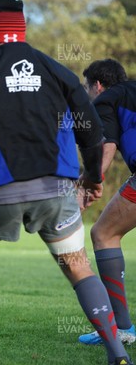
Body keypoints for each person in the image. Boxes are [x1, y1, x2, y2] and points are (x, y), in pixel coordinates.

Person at [0, 0, 132, 365]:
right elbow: (92, 133)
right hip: (55, 189)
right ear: (21, 33)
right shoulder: (58, 71)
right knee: (77, 264)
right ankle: (117, 352)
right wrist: (92, 177)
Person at [77, 59, 136, 345]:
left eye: (87, 88)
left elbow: (107, 149)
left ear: (97, 85)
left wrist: (87, 185)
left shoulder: (105, 101)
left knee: (103, 234)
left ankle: (122, 328)